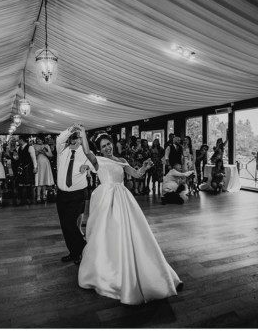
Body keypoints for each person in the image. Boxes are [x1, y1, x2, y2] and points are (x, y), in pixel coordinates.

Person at [78, 134, 181, 305]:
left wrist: (145, 167)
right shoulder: (98, 160)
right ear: (100, 149)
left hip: (123, 197)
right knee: (107, 232)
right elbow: (86, 151)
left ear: (112, 144)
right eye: (103, 146)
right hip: (105, 199)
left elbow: (136, 174)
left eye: (108, 144)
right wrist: (82, 132)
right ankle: (109, 268)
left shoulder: (121, 159)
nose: (107, 148)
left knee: (130, 232)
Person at [55, 124, 95, 265]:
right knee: (65, 226)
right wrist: (71, 129)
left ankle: (84, 250)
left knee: (70, 223)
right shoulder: (62, 151)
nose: (74, 140)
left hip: (77, 195)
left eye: (77, 138)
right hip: (61, 195)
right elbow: (59, 139)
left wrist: (87, 167)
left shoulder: (85, 153)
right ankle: (74, 253)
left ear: (82, 139)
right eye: (72, 137)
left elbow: (95, 166)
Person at [15, 135, 37, 205]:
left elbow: (34, 158)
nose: (17, 141)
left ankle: (29, 199)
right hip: (21, 168)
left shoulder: (30, 147)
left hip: (28, 167)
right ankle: (20, 199)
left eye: (18, 140)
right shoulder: (19, 148)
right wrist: (15, 157)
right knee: (20, 184)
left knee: (28, 184)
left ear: (22, 140)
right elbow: (18, 158)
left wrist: (35, 167)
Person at [34, 137, 55, 202]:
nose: (39, 141)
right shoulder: (34, 146)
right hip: (38, 163)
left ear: (43, 140)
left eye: (40, 139)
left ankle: (44, 195)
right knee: (38, 180)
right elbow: (32, 155)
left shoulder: (46, 146)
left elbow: (51, 155)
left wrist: (44, 152)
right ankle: (38, 196)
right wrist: (37, 152)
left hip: (45, 163)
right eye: (38, 140)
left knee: (44, 180)